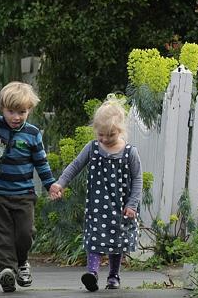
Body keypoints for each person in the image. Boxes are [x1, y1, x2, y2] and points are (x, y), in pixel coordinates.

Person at [49, 95, 142, 292]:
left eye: (111, 135)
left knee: (117, 241)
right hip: (97, 206)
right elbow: (75, 166)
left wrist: (132, 204)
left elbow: (137, 180)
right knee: (95, 238)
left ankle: (113, 276)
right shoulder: (92, 148)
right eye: (101, 135)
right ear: (95, 130)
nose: (105, 139)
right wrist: (60, 183)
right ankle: (91, 273)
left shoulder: (130, 153)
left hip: (121, 207)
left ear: (121, 130)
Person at [0, 81, 55, 292]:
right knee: (2, 234)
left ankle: (22, 263)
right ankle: (7, 270)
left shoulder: (33, 133)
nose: (16, 117)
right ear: (2, 109)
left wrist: (50, 185)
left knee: (24, 233)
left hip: (24, 193)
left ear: (29, 110)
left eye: (22, 112)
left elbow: (41, 163)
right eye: (11, 112)